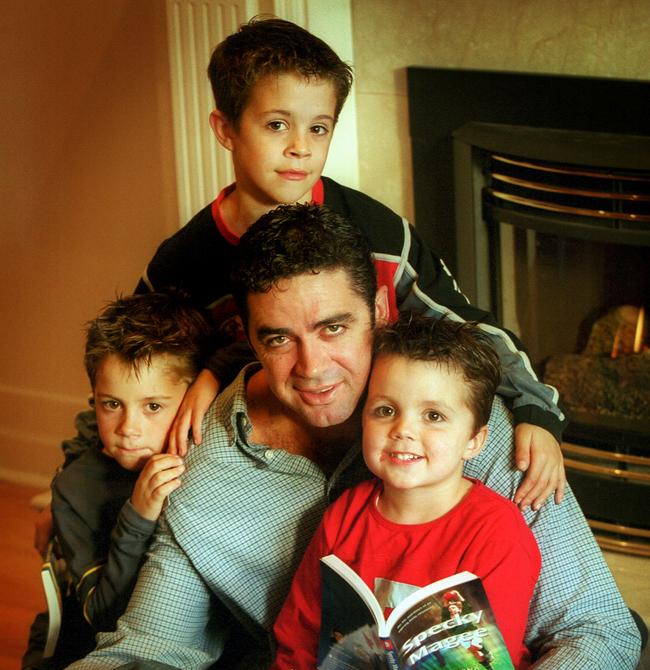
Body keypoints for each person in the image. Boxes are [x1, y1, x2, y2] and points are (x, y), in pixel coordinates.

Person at [9, 205, 640, 670]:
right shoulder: (204, 459)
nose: (312, 366)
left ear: (380, 313)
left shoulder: (468, 437)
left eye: (334, 327)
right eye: (279, 337)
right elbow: (150, 643)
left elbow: (604, 632)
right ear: (246, 338)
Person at [133, 16, 565, 510]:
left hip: (383, 458)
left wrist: (537, 410)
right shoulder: (181, 264)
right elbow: (125, 375)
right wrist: (76, 490)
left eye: (318, 127)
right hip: (258, 474)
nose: (300, 147)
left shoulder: (378, 233)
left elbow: (467, 327)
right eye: (277, 124)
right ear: (225, 128)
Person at [231, 315, 542, 670]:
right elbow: (301, 631)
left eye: (434, 416)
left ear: (475, 440)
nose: (403, 430)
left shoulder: (497, 529)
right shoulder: (345, 516)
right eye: (385, 410)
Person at [22, 293, 210, 670]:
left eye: (153, 406)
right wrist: (138, 517)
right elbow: (102, 616)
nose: (128, 427)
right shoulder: (76, 488)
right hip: (95, 663)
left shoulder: (207, 456)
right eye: (112, 404)